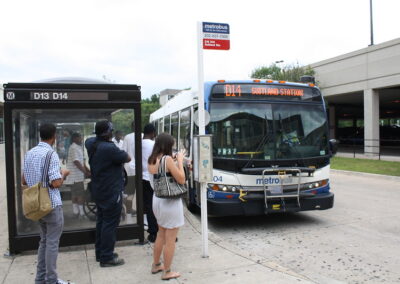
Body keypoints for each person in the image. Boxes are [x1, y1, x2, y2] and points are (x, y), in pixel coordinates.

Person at [22, 123, 72, 284]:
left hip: (37, 205)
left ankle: (40, 278)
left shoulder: (29, 153)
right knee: (52, 243)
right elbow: (56, 183)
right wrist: (63, 173)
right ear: (54, 136)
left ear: (40, 135)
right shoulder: (51, 154)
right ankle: (51, 280)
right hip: (51, 204)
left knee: (44, 241)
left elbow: (23, 180)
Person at [85, 120, 130, 267]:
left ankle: (101, 253)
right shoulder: (109, 148)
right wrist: (111, 143)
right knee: (110, 224)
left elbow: (92, 139)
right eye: (110, 131)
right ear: (107, 133)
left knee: (102, 221)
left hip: (99, 190)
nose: (112, 133)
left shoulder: (91, 144)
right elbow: (127, 158)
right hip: (111, 191)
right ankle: (107, 257)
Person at [148, 133, 185, 280]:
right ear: (167, 145)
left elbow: (161, 171)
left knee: (161, 234)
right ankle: (167, 271)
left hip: (157, 199)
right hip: (170, 202)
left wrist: (173, 162)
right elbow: (181, 179)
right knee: (170, 239)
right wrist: (180, 162)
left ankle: (156, 265)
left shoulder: (152, 159)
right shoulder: (168, 159)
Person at [65, 132, 90, 219]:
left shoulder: (77, 147)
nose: (81, 139)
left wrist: (88, 171)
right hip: (76, 177)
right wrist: (85, 172)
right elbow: (76, 162)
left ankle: (76, 212)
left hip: (74, 176)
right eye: (80, 138)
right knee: (80, 195)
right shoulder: (74, 148)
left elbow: (82, 162)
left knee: (74, 194)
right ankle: (81, 214)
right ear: (75, 138)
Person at [141, 124, 157, 243]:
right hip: (153, 178)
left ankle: (152, 233)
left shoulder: (138, 144)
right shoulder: (153, 144)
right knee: (157, 205)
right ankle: (159, 231)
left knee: (148, 205)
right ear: (152, 133)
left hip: (142, 178)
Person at [121, 121, 140, 215]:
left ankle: (129, 210)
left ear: (131, 127)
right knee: (140, 191)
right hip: (141, 169)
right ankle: (136, 211)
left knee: (130, 192)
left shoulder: (127, 137)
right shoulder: (143, 135)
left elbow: (124, 152)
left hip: (129, 168)